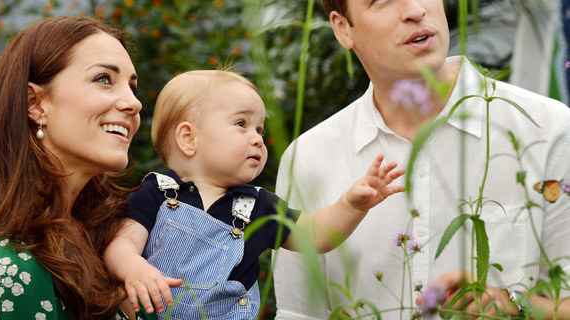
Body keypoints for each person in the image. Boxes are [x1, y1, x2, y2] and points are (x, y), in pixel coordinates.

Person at [273, 0, 570, 319]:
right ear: (343, 28)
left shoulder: (548, 129)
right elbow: (300, 314)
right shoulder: (308, 158)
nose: (415, 10)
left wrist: (513, 306)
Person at [103, 69, 405, 319]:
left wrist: (351, 204)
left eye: (259, 130)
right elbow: (122, 244)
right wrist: (134, 268)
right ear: (188, 138)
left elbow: (316, 234)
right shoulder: (156, 193)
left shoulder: (257, 206)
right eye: (241, 124)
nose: (258, 139)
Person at [0, 16, 144, 319]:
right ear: (35, 104)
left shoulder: (122, 239)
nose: (134, 103)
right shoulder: (6, 268)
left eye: (132, 87)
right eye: (103, 79)